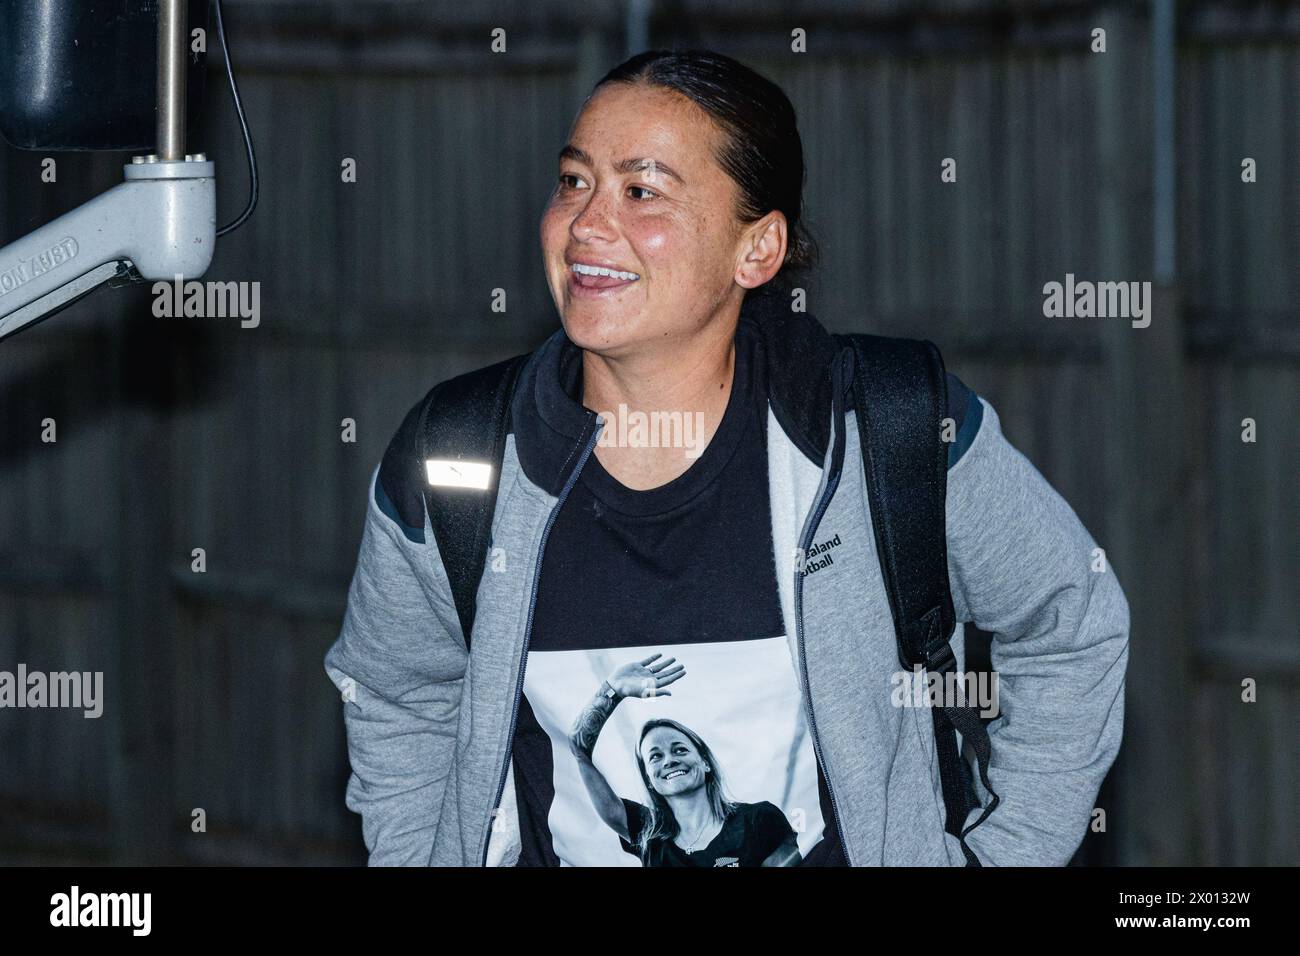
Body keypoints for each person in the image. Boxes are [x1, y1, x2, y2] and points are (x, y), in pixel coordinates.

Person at [324, 49, 1130, 867]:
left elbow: (1071, 622)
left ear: (758, 250)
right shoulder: (458, 460)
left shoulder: (891, 428)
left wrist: (1008, 853)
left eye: (641, 192)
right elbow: (395, 692)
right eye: (574, 182)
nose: (585, 225)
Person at [569, 655, 802, 867]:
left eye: (679, 750)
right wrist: (612, 691)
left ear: (706, 763)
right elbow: (579, 749)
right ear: (649, 779)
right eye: (655, 756)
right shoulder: (647, 831)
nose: (669, 761)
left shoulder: (759, 820)